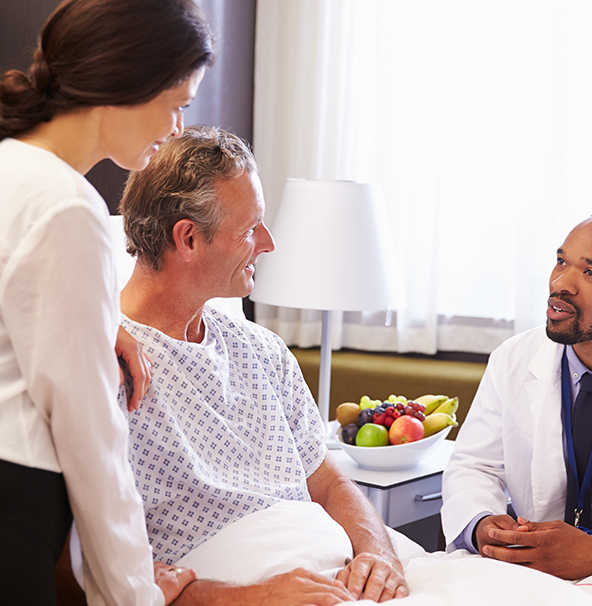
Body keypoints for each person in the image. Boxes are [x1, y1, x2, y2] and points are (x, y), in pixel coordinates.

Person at [117, 125, 408, 605]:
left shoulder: (264, 350)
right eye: (251, 228)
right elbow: (84, 566)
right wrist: (251, 597)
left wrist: (380, 554)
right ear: (188, 238)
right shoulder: (111, 364)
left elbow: (329, 479)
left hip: (335, 576)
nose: (269, 243)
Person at [0, 1, 214, 604]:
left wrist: (99, 319)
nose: (175, 129)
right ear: (129, 81)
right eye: (177, 105)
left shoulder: (11, 167)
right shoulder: (67, 206)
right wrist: (136, 593)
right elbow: (90, 436)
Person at [441, 209, 592, 589]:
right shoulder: (513, 357)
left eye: (590, 273)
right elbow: (474, 466)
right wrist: (482, 524)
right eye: (561, 261)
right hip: (526, 580)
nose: (561, 283)